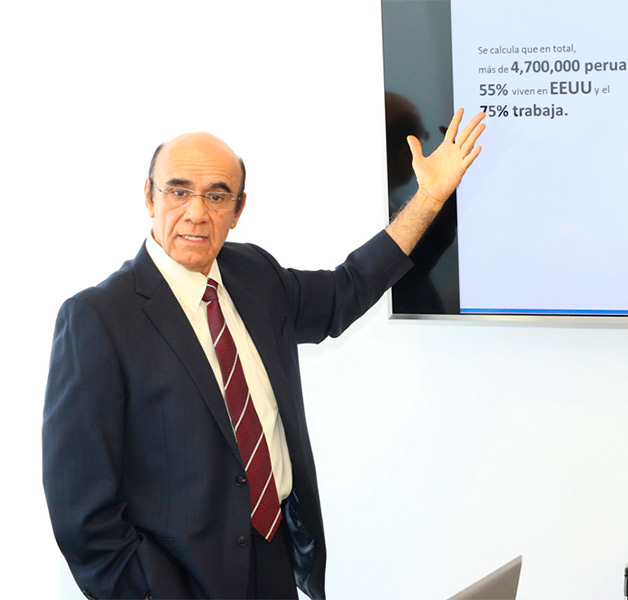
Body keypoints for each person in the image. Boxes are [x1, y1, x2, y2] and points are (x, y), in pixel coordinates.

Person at [42, 109, 485, 600]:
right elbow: (82, 514)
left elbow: (348, 288)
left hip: (273, 561)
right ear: (149, 196)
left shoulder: (254, 274)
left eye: (217, 196)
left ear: (238, 209)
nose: (196, 213)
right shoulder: (97, 318)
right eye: (179, 191)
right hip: (179, 581)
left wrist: (429, 198)